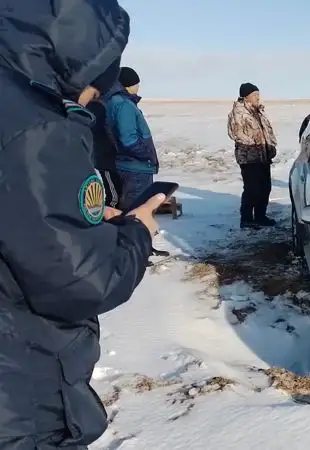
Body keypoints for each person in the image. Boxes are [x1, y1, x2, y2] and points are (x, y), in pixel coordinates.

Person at [0, 1, 167, 448]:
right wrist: (137, 233)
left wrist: (79, 221)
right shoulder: (36, 129)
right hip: (21, 401)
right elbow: (81, 280)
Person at [106, 66, 160, 211]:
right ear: (129, 85)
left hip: (129, 164)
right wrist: (146, 155)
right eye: (137, 84)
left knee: (131, 208)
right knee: (136, 210)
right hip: (135, 167)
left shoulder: (115, 102)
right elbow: (128, 140)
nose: (138, 87)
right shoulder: (124, 105)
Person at [227, 82, 279, 229]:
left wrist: (270, 145)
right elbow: (236, 134)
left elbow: (266, 131)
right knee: (252, 189)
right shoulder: (238, 113)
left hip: (263, 157)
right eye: (255, 95)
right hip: (249, 158)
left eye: (258, 94)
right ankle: (247, 219)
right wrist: (255, 145)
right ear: (246, 96)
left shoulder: (258, 112)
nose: (258, 97)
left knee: (265, 187)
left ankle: (261, 216)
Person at [86, 97, 123, 208]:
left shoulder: (96, 106)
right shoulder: (96, 107)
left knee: (114, 185)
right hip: (104, 157)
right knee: (113, 189)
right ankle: (113, 210)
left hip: (106, 155)